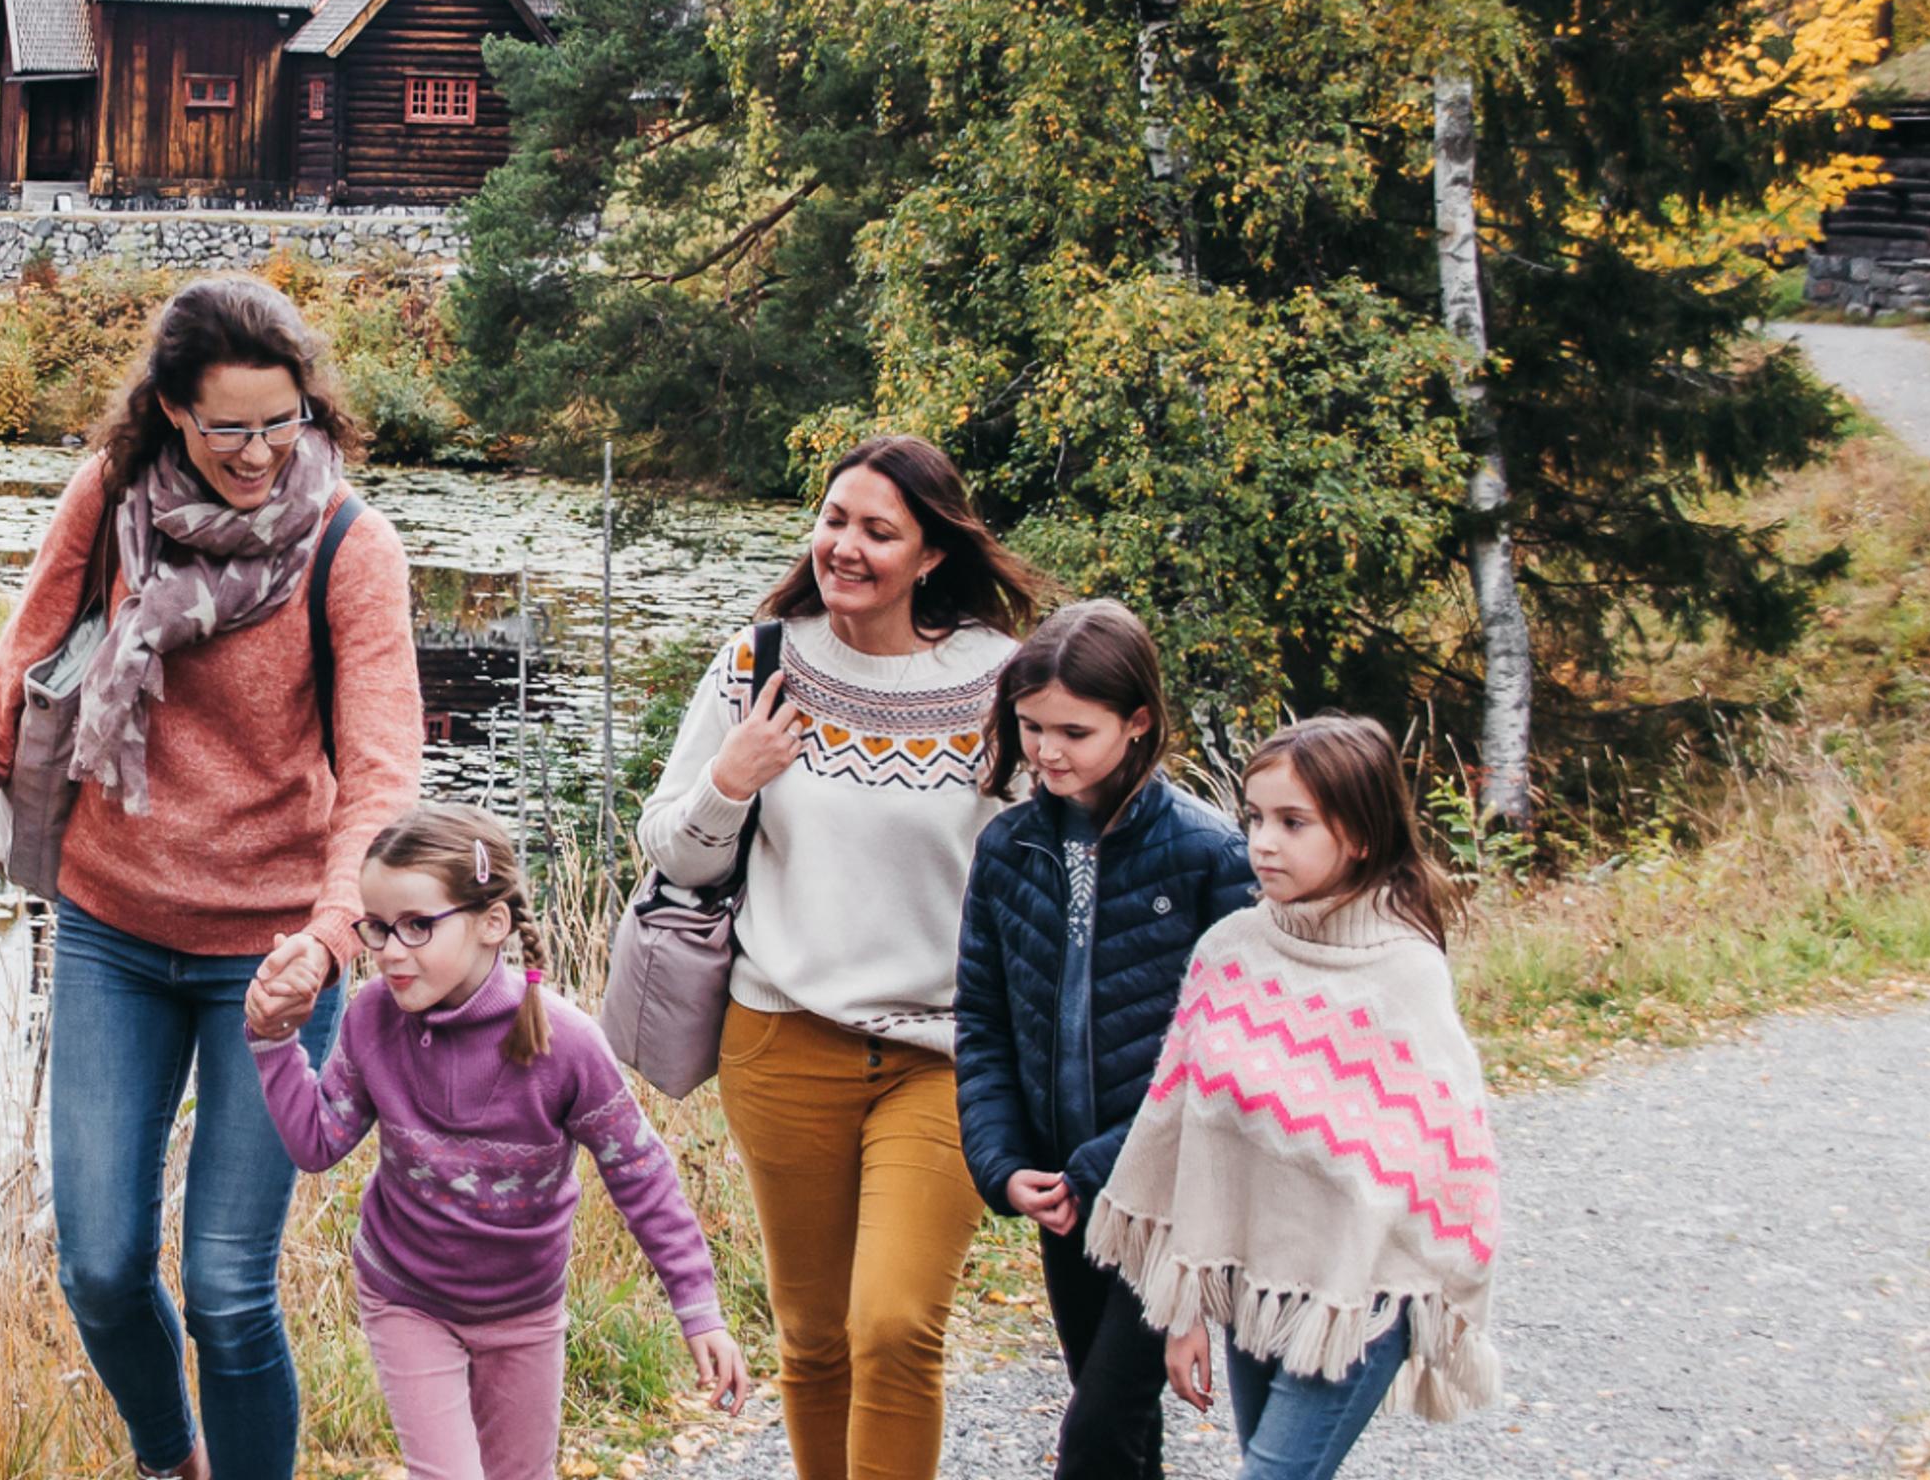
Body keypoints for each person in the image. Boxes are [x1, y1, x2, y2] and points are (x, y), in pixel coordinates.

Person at [0, 277, 426, 1480]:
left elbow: (382, 772)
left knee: (227, 1291)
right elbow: (13, 673)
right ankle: (170, 1459)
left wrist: (332, 936)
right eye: (226, 427)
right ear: (170, 414)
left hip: (275, 954)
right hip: (113, 928)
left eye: (280, 423)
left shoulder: (349, 547)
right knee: (99, 1268)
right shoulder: (111, 501)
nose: (256, 453)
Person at [633, 434, 1049, 1480]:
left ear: (932, 556)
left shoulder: (999, 681)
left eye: (877, 531)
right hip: (783, 1040)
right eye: (833, 519)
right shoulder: (760, 664)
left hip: (944, 1054)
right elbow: (670, 846)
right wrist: (731, 780)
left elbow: (1054, 853)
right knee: (814, 1338)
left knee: (895, 1325)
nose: (844, 546)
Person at [242, 803, 750, 1480]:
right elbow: (317, 1144)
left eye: (418, 925)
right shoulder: (372, 1020)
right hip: (406, 1297)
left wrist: (699, 1310)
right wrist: (274, 1042)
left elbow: (642, 1176)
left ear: (492, 923)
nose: (390, 950)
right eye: (378, 927)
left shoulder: (567, 1045)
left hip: (525, 1314)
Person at [1087, 714, 1504, 1480]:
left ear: (1361, 835)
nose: (1263, 842)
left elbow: (1449, 1160)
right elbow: (1181, 1141)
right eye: (1254, 818)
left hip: (1361, 1292)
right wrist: (1183, 1311)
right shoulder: (1229, 952)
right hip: (1257, 1279)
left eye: (1292, 822)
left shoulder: (1405, 974)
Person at [951, 600, 1261, 1480]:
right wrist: (1004, 1163)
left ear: (1139, 723)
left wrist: (1103, 1164)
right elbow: (982, 1022)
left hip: (1170, 1200)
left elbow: (1227, 1058)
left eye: (1073, 732)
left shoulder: (1210, 856)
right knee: (1120, 1435)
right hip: (1064, 1194)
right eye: (1031, 727)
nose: (1047, 751)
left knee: (1093, 1436)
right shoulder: (1008, 849)